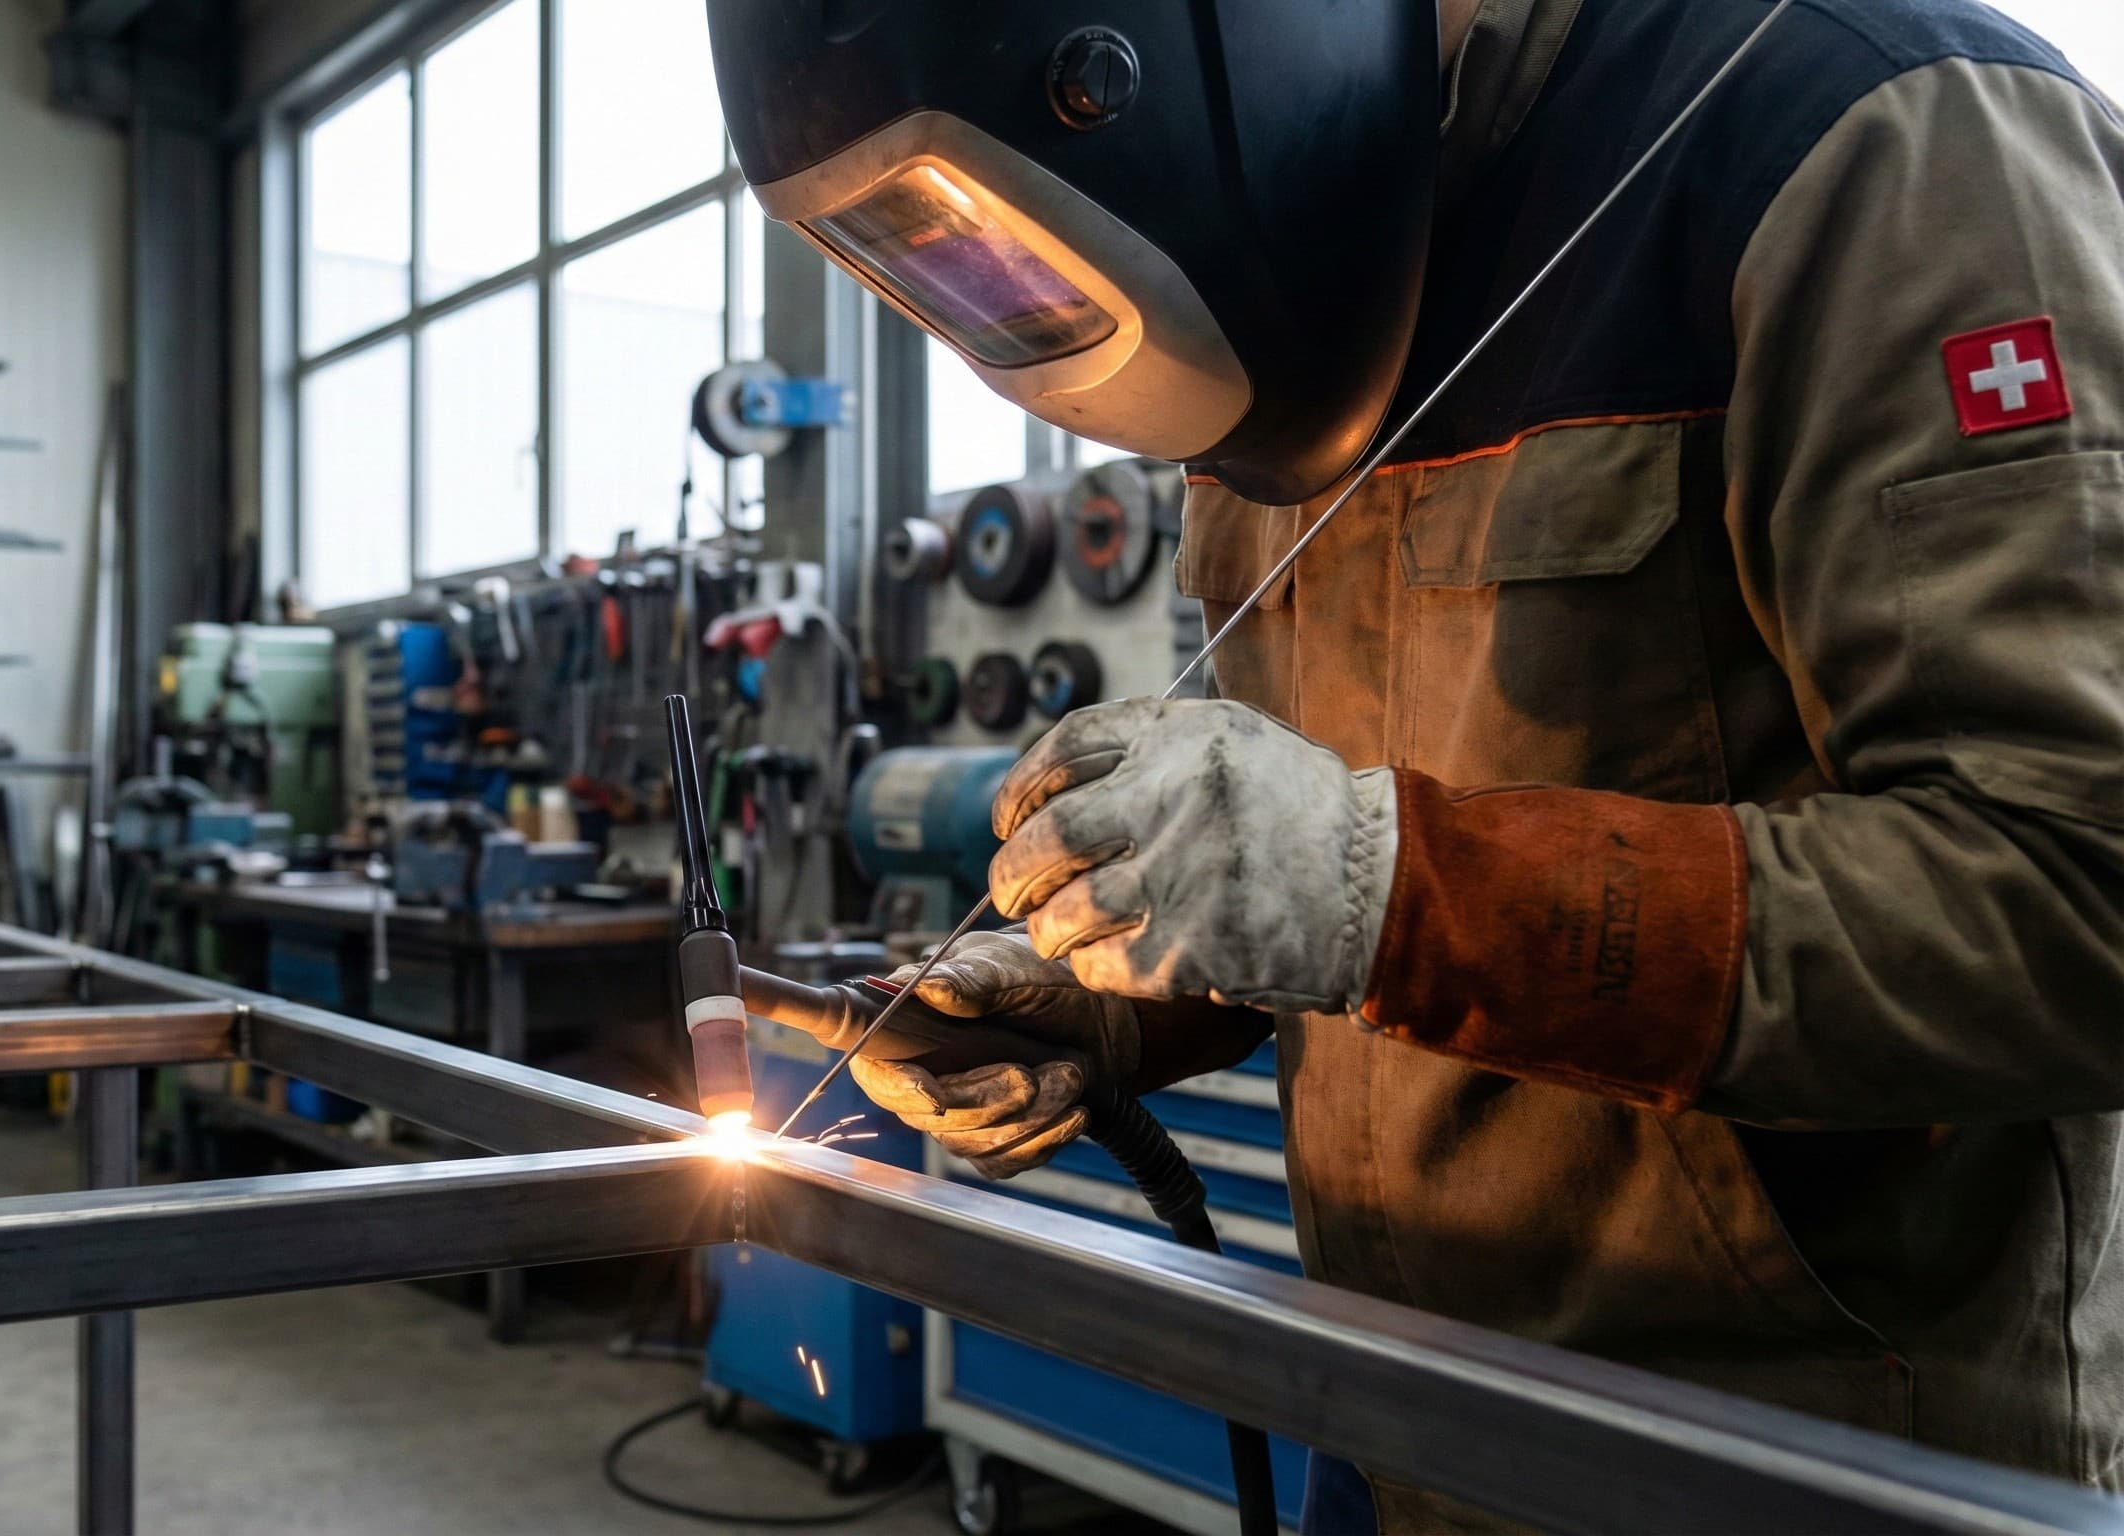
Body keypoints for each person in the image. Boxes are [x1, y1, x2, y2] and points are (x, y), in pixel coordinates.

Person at [711, 0, 2124, 1529]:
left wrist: (1384, 888)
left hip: (1793, 1458)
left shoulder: (1866, 129)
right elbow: (1334, 873)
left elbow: (2080, 902)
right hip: (1391, 1419)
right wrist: (1115, 1003)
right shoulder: (1286, 267)